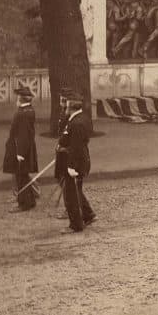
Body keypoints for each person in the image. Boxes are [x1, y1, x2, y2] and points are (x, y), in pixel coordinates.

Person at [56, 91, 95, 234]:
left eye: (66, 103)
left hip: (75, 163)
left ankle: (76, 225)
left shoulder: (77, 123)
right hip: (76, 160)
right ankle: (87, 215)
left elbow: (76, 147)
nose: (64, 105)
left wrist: (71, 166)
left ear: (70, 105)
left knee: (71, 194)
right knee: (74, 192)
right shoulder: (77, 119)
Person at [3, 85, 39, 212]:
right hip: (25, 148)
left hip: (21, 149)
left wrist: (20, 153)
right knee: (23, 175)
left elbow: (22, 135)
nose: (16, 100)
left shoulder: (21, 114)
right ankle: (30, 201)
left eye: (17, 98)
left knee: (21, 176)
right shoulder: (29, 110)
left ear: (20, 99)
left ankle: (23, 203)